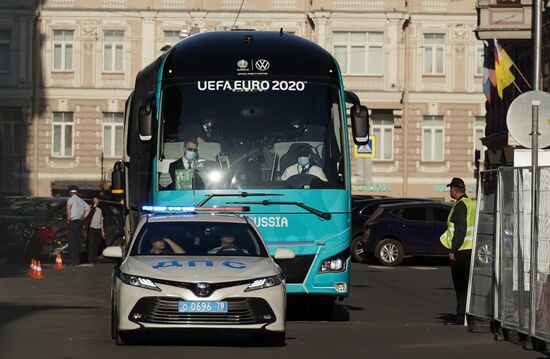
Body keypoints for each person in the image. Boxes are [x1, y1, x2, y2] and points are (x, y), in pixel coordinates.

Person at [440, 177, 476, 325]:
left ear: (454, 190)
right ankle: (468, 314)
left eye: (450, 189)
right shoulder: (471, 203)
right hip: (469, 249)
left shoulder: (460, 206)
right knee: (467, 285)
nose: (450, 191)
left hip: (460, 251)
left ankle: (461, 316)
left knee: (460, 286)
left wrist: (453, 250)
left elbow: (459, 230)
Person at [66, 185, 90, 266]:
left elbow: (68, 207)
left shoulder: (71, 199)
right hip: (80, 222)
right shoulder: (81, 200)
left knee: (71, 241)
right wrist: (83, 217)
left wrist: (69, 217)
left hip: (73, 221)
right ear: (76, 192)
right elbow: (88, 208)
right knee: (77, 242)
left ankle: (72, 260)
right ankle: (77, 260)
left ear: (70, 192)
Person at [86, 196, 104, 265]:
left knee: (97, 244)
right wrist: (94, 206)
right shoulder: (90, 208)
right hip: (92, 228)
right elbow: (89, 215)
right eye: (95, 200)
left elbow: (101, 220)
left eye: (97, 200)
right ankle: (90, 259)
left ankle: (95, 258)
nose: (97, 201)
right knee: (91, 244)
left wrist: (102, 231)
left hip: (98, 228)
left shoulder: (99, 210)